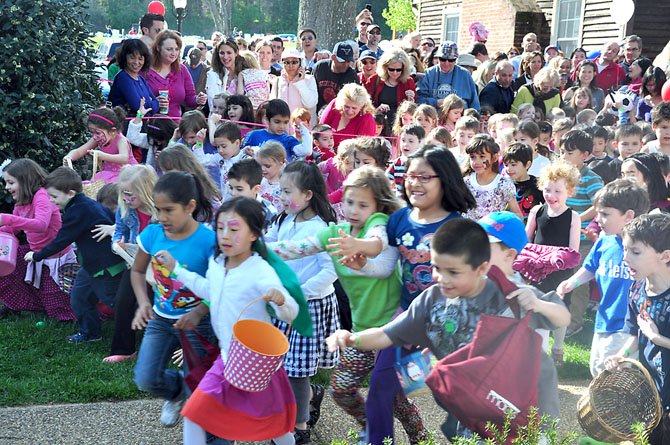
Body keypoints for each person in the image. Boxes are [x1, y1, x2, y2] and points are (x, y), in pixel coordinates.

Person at [327, 216, 569, 441]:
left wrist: (538, 304)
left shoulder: (512, 293)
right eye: (437, 268)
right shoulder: (433, 300)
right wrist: (352, 338)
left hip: (521, 409)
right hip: (472, 414)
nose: (442, 277)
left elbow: (561, 317)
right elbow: (386, 333)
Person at [268, 166, 424, 445]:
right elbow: (297, 248)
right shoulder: (336, 233)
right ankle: (371, 425)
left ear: (378, 206)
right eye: (350, 201)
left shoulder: (380, 227)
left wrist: (361, 255)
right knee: (341, 389)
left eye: (363, 204)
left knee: (392, 397)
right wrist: (257, 248)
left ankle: (418, 436)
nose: (354, 209)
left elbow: (380, 258)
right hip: (362, 330)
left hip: (393, 330)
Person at [130, 171, 216, 428]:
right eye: (158, 210)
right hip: (161, 319)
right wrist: (144, 303)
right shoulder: (153, 234)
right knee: (145, 378)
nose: (161, 217)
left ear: (190, 206)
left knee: (198, 385)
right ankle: (175, 391)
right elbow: (136, 271)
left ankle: (207, 432)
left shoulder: (209, 241)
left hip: (197, 323)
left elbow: (219, 288)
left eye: (169, 210)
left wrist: (200, 312)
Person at [263, 162, 338, 443]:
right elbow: (269, 248)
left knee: (296, 371)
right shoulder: (283, 219)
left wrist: (299, 293)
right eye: (280, 190)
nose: (281, 197)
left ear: (307, 195)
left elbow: (330, 272)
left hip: (309, 307)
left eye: (286, 191)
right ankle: (303, 401)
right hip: (282, 306)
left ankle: (300, 429)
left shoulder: (321, 228)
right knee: (277, 365)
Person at [558, 179, 649, 375]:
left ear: (629, 216)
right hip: (604, 320)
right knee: (597, 368)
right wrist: (571, 283)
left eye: (605, 214)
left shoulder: (644, 249)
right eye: (597, 212)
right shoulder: (604, 242)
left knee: (616, 375)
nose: (598, 219)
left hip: (628, 324)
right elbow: (590, 268)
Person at [26, 167, 124, 342]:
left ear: (70, 193)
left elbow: (62, 239)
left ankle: (151, 325)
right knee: (80, 298)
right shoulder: (83, 204)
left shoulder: (80, 210)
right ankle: (91, 334)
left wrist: (37, 255)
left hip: (106, 267)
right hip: (91, 266)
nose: (51, 200)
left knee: (116, 302)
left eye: (54, 196)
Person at [604, 213, 670, 445]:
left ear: (665, 256)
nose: (626, 258)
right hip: (652, 392)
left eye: (636, 252)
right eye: (625, 249)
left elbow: (650, 334)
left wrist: (657, 338)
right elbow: (634, 332)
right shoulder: (636, 290)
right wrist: (620, 356)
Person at [0, 159, 76, 320]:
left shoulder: (42, 196)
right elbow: (13, 228)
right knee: (7, 268)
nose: (7, 188)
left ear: (24, 179)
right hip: (35, 253)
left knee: (58, 309)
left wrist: (7, 219)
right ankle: (15, 305)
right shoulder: (22, 202)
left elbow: (41, 225)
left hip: (56, 256)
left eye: (10, 182)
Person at [524, 161, 581, 364]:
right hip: (538, 270)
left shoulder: (573, 217)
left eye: (558, 191)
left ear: (570, 191)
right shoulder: (536, 212)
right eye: (548, 190)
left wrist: (555, 259)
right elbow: (526, 240)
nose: (552, 195)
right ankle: (541, 355)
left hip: (560, 272)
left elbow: (573, 251)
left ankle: (558, 347)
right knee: (539, 308)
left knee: (559, 309)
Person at [103, 165, 158, 363]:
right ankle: (124, 349)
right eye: (123, 194)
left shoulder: (161, 211)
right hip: (135, 263)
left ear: (146, 190)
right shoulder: (125, 208)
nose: (126, 199)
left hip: (159, 267)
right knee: (123, 302)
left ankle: (158, 349)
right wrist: (117, 244)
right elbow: (119, 230)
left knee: (155, 305)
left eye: (130, 195)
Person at [559, 130, 605, 337]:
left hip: (584, 240)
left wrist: (577, 219)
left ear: (585, 155)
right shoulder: (561, 177)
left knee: (578, 283)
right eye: (561, 153)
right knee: (559, 277)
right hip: (562, 238)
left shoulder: (591, 178)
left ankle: (575, 322)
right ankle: (556, 316)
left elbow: (600, 204)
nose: (563, 158)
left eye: (569, 153)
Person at [64, 107, 137, 183]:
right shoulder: (97, 139)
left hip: (127, 175)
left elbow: (124, 158)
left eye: (97, 133)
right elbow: (80, 151)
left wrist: (102, 155)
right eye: (92, 132)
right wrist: (70, 157)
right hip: (108, 174)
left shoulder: (121, 140)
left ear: (113, 131)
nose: (94, 136)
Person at [146, 31, 206, 119]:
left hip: (175, 125)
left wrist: (198, 99)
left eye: (176, 49)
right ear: (158, 48)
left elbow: (190, 99)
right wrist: (154, 103)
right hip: (150, 124)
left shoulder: (182, 70)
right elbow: (137, 102)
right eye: (169, 49)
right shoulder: (145, 71)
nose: (174, 53)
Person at [462, 135, 522, 220]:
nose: (476, 162)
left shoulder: (503, 184)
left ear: (494, 158)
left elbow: (518, 214)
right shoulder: (465, 182)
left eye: (482, 156)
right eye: (473, 157)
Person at [364, 48, 416, 132]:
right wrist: (377, 110)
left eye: (398, 70)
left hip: (399, 128)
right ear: (385, 67)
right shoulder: (374, 80)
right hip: (377, 127)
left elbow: (412, 111)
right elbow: (364, 106)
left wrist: (411, 100)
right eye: (391, 69)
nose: (395, 73)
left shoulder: (408, 82)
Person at [417, 41, 480, 110]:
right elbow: (419, 100)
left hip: (460, 118)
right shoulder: (428, 74)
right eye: (443, 59)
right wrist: (436, 102)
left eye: (451, 60)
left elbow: (474, 104)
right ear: (438, 58)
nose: (446, 63)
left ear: (456, 60)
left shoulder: (465, 75)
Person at [243, 99, 313, 161]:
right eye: (277, 122)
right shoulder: (254, 135)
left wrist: (303, 128)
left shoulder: (289, 140)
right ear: (267, 120)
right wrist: (245, 150)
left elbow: (306, 150)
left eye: (285, 122)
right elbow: (240, 155)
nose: (282, 126)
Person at [108, 39, 159, 117]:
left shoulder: (141, 78)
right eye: (132, 58)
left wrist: (149, 104)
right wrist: (151, 103)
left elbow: (156, 103)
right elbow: (137, 106)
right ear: (124, 58)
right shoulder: (123, 78)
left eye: (140, 59)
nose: (136, 62)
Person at [269, 49, 318, 128]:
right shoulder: (278, 81)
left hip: (303, 132)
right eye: (287, 62)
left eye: (294, 62)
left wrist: (301, 82)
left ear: (300, 63)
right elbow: (272, 106)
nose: (290, 65)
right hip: (282, 131)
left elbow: (310, 104)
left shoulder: (309, 79)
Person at [319, 84, 377, 149]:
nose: (350, 111)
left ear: (362, 106)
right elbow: (319, 132)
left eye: (354, 108)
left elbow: (364, 149)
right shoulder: (334, 105)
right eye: (346, 107)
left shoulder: (367, 119)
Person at [227, 158, 277, 228]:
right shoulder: (227, 206)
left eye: (239, 189)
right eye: (231, 188)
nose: (233, 193)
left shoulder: (269, 213)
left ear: (256, 189)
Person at [313, 41, 359, 113]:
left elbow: (352, 101)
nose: (346, 64)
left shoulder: (352, 76)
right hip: (316, 110)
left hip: (339, 113)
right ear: (333, 57)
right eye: (342, 61)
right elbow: (312, 90)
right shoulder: (320, 67)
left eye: (348, 61)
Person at [503, 142, 544, 221]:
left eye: (513, 164)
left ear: (527, 164)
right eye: (506, 165)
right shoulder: (505, 184)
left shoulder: (538, 184)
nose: (509, 169)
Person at [386, 123, 425, 196]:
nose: (405, 144)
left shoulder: (422, 163)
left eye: (411, 141)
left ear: (420, 143)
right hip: (401, 201)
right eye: (403, 140)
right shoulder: (397, 162)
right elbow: (385, 180)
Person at [206, 38, 245, 110]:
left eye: (229, 53)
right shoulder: (213, 75)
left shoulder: (245, 73)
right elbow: (213, 104)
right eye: (222, 53)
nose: (225, 57)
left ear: (236, 53)